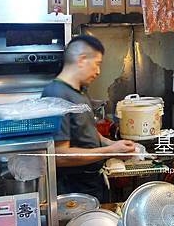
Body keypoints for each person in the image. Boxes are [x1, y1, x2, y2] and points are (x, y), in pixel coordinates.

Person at [41, 35, 135, 202]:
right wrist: (109, 151)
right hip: (73, 188)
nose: (98, 72)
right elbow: (59, 155)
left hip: (92, 182)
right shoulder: (56, 94)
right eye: (97, 64)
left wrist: (111, 144)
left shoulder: (80, 92)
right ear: (82, 60)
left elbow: (87, 130)